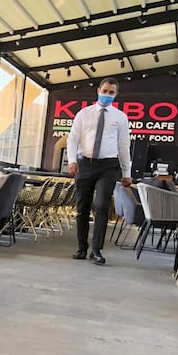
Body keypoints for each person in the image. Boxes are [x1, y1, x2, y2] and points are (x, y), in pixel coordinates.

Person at [66, 77, 132, 265]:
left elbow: (123, 145)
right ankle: (81, 248)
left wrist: (126, 172)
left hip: (108, 166)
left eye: (111, 93)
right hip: (85, 164)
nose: (107, 95)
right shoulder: (83, 114)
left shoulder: (120, 117)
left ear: (116, 94)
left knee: (102, 206)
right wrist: (72, 161)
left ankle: (96, 250)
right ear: (98, 90)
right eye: (105, 91)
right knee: (82, 208)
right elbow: (72, 139)